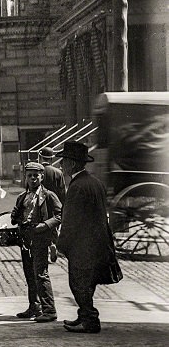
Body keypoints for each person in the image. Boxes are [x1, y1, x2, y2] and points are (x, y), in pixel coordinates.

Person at [56, 139, 122, 334]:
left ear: (73, 163)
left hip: (82, 245)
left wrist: (61, 245)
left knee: (78, 282)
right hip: (98, 242)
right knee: (88, 282)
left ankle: (90, 319)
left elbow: (71, 220)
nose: (61, 165)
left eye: (64, 161)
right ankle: (84, 315)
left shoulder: (77, 187)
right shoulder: (95, 182)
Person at [10, 162, 62, 322]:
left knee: (41, 273)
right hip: (26, 239)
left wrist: (44, 226)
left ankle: (49, 310)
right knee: (29, 274)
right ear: (25, 177)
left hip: (41, 238)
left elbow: (60, 215)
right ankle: (34, 306)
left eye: (36, 175)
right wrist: (15, 216)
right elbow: (16, 218)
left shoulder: (49, 196)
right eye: (29, 175)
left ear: (42, 177)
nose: (33, 178)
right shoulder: (22, 197)